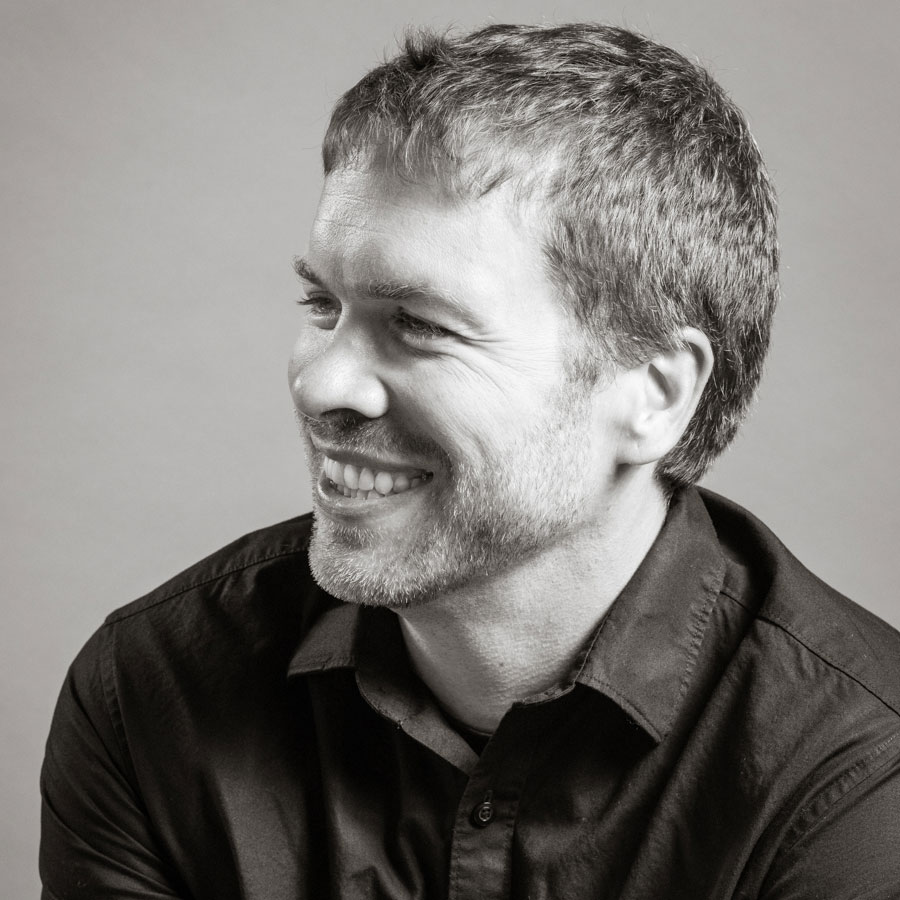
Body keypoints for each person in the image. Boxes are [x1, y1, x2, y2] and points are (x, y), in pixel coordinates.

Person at [40, 22, 900, 900]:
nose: (322, 382)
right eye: (322, 303)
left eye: (421, 325)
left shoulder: (858, 782)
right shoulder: (151, 693)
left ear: (653, 394)